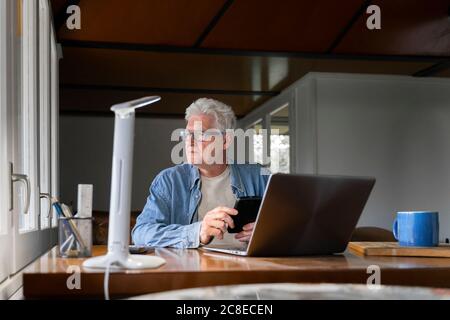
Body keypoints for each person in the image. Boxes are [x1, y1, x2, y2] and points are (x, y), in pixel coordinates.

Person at [132, 98, 269, 248]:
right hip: (194, 268)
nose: (189, 142)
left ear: (225, 141)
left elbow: (291, 224)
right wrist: (198, 232)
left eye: (200, 135)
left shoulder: (259, 176)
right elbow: (141, 233)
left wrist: (267, 231)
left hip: (249, 267)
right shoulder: (169, 180)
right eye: (187, 134)